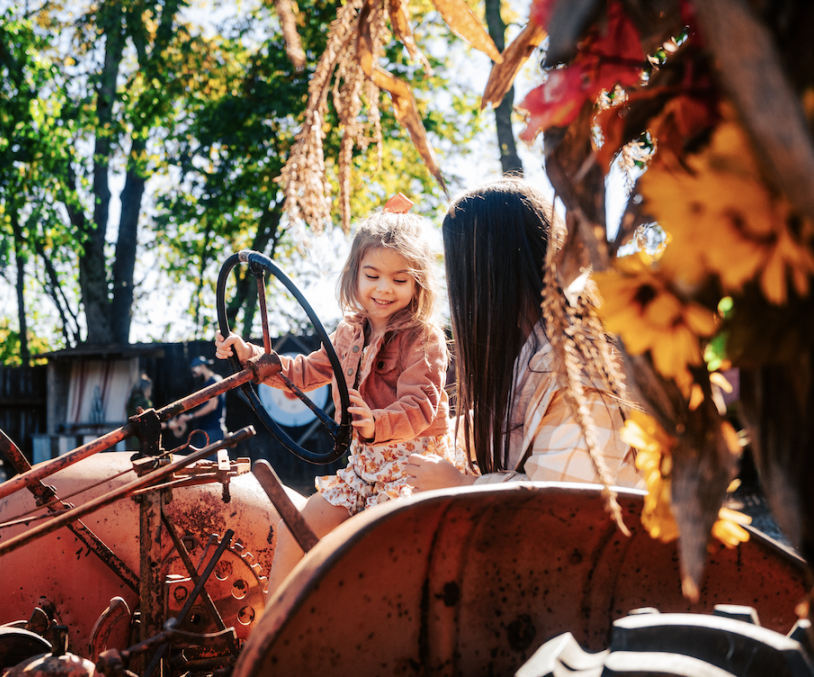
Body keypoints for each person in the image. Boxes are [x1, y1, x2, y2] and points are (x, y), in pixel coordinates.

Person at [216, 193, 461, 594]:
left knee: (373, 536)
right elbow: (305, 371)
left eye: (400, 280)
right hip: (363, 469)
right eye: (373, 275)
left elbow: (421, 405)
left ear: (418, 283)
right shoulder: (349, 332)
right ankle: (273, 620)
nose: (384, 289)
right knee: (309, 518)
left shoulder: (423, 337)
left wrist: (376, 422)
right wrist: (253, 358)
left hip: (411, 470)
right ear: (355, 275)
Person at [406, 179, 642, 489]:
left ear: (491, 269)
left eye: (463, 270)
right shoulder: (537, 353)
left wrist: (458, 486)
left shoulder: (576, 361)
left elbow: (564, 500)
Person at [169, 356, 227, 444]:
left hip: (213, 429)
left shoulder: (214, 381)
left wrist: (190, 416)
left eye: (194, 372)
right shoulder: (206, 384)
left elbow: (212, 405)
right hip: (205, 429)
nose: (194, 375)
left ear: (202, 366)